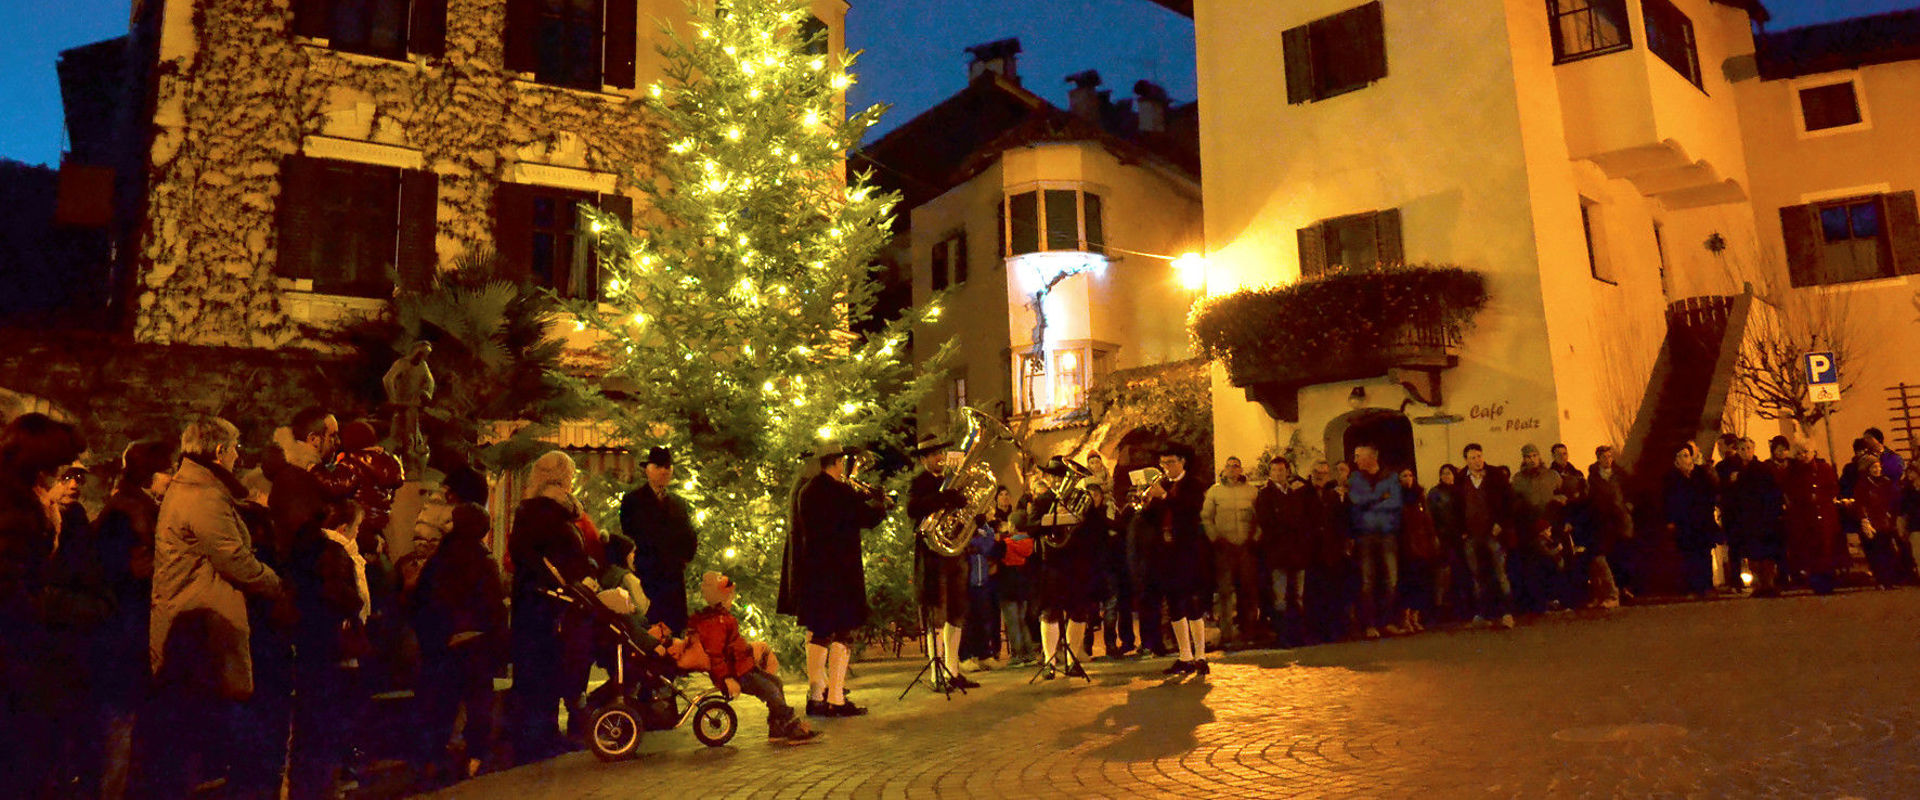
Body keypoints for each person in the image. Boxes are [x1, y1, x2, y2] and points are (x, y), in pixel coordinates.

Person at [145, 416, 287, 798]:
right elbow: (234, 558)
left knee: (199, 720)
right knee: (218, 716)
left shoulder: (197, 487)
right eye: (236, 448)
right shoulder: (203, 495)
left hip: (197, 616)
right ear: (220, 451)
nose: (239, 456)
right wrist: (277, 584)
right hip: (204, 623)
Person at [0, 413, 87, 795]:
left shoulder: (19, 495)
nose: (60, 476)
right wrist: (39, 624)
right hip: (13, 650)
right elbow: (8, 581)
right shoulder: (15, 503)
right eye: (57, 465)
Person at [91, 439, 174, 799]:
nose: (172, 478)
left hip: (119, 625)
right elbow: (137, 568)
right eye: (168, 470)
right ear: (152, 474)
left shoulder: (122, 504)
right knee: (122, 718)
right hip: (128, 626)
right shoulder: (137, 510)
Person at [779, 444, 888, 717]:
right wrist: (880, 504)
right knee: (843, 631)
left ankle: (816, 696)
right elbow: (867, 518)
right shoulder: (841, 492)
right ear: (837, 462)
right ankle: (836, 698)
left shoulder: (806, 491)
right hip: (842, 572)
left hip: (814, 572)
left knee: (819, 631)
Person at [507, 450, 599, 762]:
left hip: (546, 599)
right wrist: (559, 579)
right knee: (539, 669)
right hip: (542, 600)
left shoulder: (546, 509)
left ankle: (544, 734)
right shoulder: (544, 511)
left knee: (546, 667)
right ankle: (534, 739)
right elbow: (533, 554)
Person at [411, 501, 507, 785]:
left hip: (446, 644)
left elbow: (422, 603)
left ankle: (434, 761)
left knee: (442, 706)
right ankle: (475, 759)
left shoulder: (438, 560)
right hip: (477, 642)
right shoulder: (484, 562)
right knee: (478, 705)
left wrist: (436, 638)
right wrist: (499, 644)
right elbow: (494, 607)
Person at [287, 501, 371, 800]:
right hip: (333, 645)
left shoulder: (303, 548)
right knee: (331, 719)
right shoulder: (336, 552)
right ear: (344, 528)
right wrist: (355, 604)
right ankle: (327, 784)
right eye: (357, 527)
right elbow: (345, 596)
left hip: (311, 644)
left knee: (312, 721)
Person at [689, 571, 818, 741]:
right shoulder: (714, 623)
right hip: (737, 673)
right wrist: (726, 678)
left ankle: (777, 728)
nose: (732, 601)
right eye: (729, 597)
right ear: (720, 598)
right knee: (771, 691)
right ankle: (791, 726)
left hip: (744, 667)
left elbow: (734, 646)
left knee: (775, 683)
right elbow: (715, 655)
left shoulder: (724, 619)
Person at [904, 434, 976, 689]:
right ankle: (937, 674)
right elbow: (913, 508)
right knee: (937, 614)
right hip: (932, 556)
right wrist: (945, 497)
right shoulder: (920, 482)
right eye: (935, 454)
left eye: (941, 453)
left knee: (957, 613)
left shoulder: (952, 480)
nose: (940, 458)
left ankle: (952, 671)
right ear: (924, 460)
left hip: (955, 553)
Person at [1141, 444, 1211, 675]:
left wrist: (1164, 496)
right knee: (1173, 603)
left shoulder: (1193, 484)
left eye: (1170, 462)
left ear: (1182, 462)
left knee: (1192, 603)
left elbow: (1190, 510)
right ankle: (1185, 656)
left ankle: (1201, 655)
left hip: (1187, 551)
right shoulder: (1163, 485)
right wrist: (1147, 503)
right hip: (1166, 552)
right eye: (1163, 463)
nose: (1166, 467)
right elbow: (1152, 518)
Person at [620, 446, 698, 634]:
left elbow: (688, 537)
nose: (664, 471)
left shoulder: (679, 503)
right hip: (647, 578)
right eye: (658, 466)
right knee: (648, 632)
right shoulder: (632, 501)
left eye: (667, 466)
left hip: (673, 581)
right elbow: (629, 534)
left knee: (675, 633)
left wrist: (683, 556)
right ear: (647, 469)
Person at [1036, 483, 1103, 679]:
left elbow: (1096, 528)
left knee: (1079, 611)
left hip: (1078, 563)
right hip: (1053, 562)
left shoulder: (1083, 502)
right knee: (1050, 611)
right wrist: (1054, 516)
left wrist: (1079, 517)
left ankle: (1072, 660)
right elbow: (1031, 526)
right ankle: (1049, 661)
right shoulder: (1044, 501)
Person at [1254, 456, 1316, 648]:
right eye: (1274, 470)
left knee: (1298, 595)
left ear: (1287, 471)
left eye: (1281, 470)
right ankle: (1282, 636)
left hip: (1297, 553)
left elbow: (1303, 519)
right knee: (1279, 597)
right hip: (1278, 553)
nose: (1278, 473)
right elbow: (1267, 523)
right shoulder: (1265, 495)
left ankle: (1298, 635)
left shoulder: (1294, 493)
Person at [1201, 455, 1259, 647]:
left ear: (1241, 470)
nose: (1233, 469)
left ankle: (1248, 631)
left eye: (1236, 466)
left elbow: (1260, 517)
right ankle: (1226, 633)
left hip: (1246, 547)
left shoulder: (1251, 492)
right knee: (1225, 592)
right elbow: (1206, 517)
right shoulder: (1215, 492)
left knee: (1247, 591)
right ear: (1224, 470)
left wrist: (1255, 538)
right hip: (1224, 548)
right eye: (1229, 466)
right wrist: (1214, 538)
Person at [1346, 446, 1403, 639]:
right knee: (1367, 581)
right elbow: (1356, 500)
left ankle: (1387, 621)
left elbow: (1395, 502)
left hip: (1387, 534)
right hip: (1365, 535)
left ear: (1372, 457)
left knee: (1391, 580)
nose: (1355, 460)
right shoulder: (1355, 479)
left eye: (1358, 456)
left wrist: (1370, 503)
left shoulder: (1390, 477)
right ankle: (1369, 624)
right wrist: (1381, 497)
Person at [1457, 444, 1515, 629]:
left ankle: (1507, 613)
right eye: (1473, 457)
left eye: (1479, 456)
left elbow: (1509, 501)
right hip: (1471, 535)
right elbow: (1456, 507)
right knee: (1477, 575)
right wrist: (1461, 530)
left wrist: (1501, 523)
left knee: (1500, 573)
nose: (1477, 461)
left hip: (1493, 533)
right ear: (1466, 460)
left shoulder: (1495, 475)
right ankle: (1482, 613)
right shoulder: (1461, 479)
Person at [1783, 439, 1847, 594]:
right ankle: (1816, 582)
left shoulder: (1824, 468)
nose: (1803, 456)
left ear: (1813, 452)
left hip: (1824, 514)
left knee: (1827, 548)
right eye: (1799, 453)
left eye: (1806, 452)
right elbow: (1790, 492)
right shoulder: (1792, 472)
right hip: (1805, 516)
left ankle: (1828, 580)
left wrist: (1821, 498)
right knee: (1810, 550)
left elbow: (1833, 487)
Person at [1663, 444, 1721, 597]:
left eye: (1687, 455)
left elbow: (1711, 492)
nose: (1686, 459)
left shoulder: (1701, 474)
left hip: (1702, 520)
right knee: (1689, 556)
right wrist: (1671, 520)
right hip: (1685, 523)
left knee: (1705, 554)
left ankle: (1707, 586)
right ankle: (1693, 587)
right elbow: (1668, 500)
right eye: (1682, 456)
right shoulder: (1672, 478)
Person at [1509, 444, 1560, 614]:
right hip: (1530, 529)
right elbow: (1515, 504)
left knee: (1554, 562)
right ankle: (1539, 602)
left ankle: (1555, 598)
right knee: (1534, 566)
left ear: (1539, 456)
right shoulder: (1518, 480)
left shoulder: (1552, 476)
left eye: (1534, 456)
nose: (1531, 459)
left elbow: (1561, 495)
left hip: (1552, 526)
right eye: (1527, 457)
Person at [1306, 460, 1353, 643]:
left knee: (1333, 593)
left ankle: (1334, 631)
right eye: (1317, 472)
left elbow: (1341, 521)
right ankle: (1315, 632)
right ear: (1311, 473)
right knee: (1314, 595)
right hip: (1312, 553)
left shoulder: (1333, 496)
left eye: (1324, 473)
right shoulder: (1302, 494)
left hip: (1331, 552)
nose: (1320, 476)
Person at [1585, 446, 1631, 607]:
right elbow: (1591, 499)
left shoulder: (1619, 475)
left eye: (1610, 456)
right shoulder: (1593, 478)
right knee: (1607, 557)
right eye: (1604, 457)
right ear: (1598, 459)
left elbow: (1628, 492)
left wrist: (1627, 507)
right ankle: (1611, 591)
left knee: (1621, 555)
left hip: (1620, 520)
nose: (1608, 460)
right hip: (1603, 522)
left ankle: (1623, 588)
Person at [1851, 455, 1906, 587]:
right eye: (1873, 467)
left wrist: (1892, 517)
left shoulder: (1885, 482)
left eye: (1878, 466)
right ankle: (1881, 579)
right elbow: (1860, 504)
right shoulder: (1862, 485)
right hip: (1872, 522)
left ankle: (1891, 579)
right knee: (1876, 553)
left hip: (1885, 521)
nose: (1877, 470)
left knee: (1888, 550)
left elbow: (1893, 502)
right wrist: (1864, 520)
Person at [1396, 468, 1440, 633]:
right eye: (1404, 476)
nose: (1408, 478)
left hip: (1421, 543)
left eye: (1410, 475)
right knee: (1407, 581)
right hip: (1405, 544)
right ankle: (1405, 617)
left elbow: (1427, 518)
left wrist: (1432, 537)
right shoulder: (1397, 498)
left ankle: (1416, 615)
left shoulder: (1419, 496)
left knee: (1421, 581)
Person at [959, 513, 1002, 671]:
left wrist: (981, 529)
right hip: (965, 581)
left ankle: (983, 655)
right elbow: (964, 544)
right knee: (967, 621)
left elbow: (989, 543)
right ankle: (965, 656)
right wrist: (976, 542)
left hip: (981, 580)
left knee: (983, 619)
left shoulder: (983, 527)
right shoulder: (960, 524)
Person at [1426, 465, 1466, 621]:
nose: (1446, 476)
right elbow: (1431, 515)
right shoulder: (1435, 493)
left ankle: (1459, 605)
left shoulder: (1459, 491)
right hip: (1444, 536)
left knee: (1459, 571)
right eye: (1443, 473)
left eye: (1449, 473)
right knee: (1443, 571)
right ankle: (1440, 606)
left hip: (1458, 536)